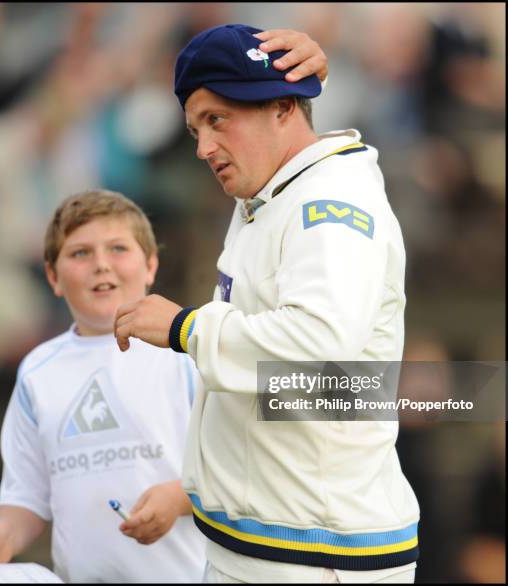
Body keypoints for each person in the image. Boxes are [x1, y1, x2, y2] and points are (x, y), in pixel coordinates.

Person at [0, 31, 331, 582]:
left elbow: (254, 446)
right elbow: (26, 499)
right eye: (80, 254)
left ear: (151, 266)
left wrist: (181, 496)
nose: (102, 265)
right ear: (53, 278)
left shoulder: (191, 345)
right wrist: (0, 536)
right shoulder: (38, 370)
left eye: (119, 249)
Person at [114, 24, 420, 583]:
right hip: (271, 546)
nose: (204, 147)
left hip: (315, 556)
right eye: (195, 128)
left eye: (217, 120)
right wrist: (195, 488)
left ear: (281, 108)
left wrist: (185, 328)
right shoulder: (274, 188)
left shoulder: (326, 201)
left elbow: (317, 351)